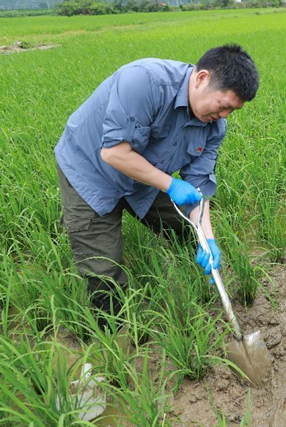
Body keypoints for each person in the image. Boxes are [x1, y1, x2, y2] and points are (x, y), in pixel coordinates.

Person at [55, 44, 259, 324]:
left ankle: (202, 290)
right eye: (223, 106)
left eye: (231, 112)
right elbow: (114, 153)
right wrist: (172, 185)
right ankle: (111, 341)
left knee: (189, 232)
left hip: (145, 175)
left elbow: (199, 186)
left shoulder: (214, 126)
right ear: (201, 79)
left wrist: (208, 238)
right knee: (105, 273)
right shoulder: (144, 82)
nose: (223, 116)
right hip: (90, 173)